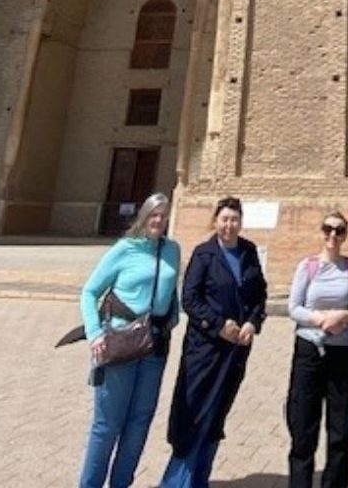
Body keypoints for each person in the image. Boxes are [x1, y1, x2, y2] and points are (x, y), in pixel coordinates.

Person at [161, 196, 266, 488]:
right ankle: (176, 482)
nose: (229, 225)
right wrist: (218, 325)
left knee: (217, 411)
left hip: (235, 351)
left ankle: (199, 479)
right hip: (204, 350)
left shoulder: (248, 251)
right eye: (224, 219)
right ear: (215, 221)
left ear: (241, 222)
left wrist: (252, 323)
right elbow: (190, 299)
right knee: (193, 411)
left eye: (234, 220)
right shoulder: (203, 254)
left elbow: (259, 295)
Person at [77, 193, 181, 488]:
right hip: (121, 344)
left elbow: (173, 287)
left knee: (139, 422)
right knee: (107, 424)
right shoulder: (124, 249)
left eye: (163, 215)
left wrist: (174, 316)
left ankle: (122, 483)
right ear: (143, 217)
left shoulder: (172, 249)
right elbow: (89, 292)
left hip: (155, 345)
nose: (158, 221)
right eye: (153, 215)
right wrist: (95, 332)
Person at [286, 210, 348, 488]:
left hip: (342, 354)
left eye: (339, 230)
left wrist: (343, 317)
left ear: (345, 235)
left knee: (340, 429)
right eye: (328, 229)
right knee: (302, 426)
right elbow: (293, 307)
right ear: (321, 231)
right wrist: (319, 319)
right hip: (310, 352)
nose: (332, 235)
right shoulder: (307, 266)